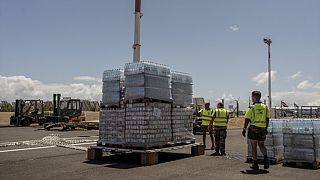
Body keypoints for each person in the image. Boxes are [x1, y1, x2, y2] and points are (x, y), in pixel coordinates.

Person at [242, 91, 270, 170]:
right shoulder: (265, 107)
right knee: (261, 145)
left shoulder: (251, 107)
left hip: (253, 128)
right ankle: (266, 158)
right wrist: (266, 128)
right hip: (262, 129)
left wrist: (244, 128)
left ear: (254, 97)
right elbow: (267, 118)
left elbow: (247, 119)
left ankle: (255, 163)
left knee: (254, 146)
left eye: (252, 97)